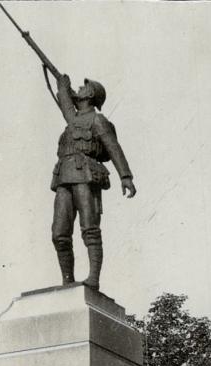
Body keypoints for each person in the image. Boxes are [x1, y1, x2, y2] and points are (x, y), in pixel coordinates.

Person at [51, 75, 136, 289]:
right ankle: (67, 280)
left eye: (84, 86)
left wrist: (125, 176)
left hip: (85, 175)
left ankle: (93, 279)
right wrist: (64, 86)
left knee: (90, 229)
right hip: (64, 177)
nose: (79, 87)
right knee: (59, 233)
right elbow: (65, 102)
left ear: (90, 94)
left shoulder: (97, 120)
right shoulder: (74, 118)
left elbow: (113, 147)